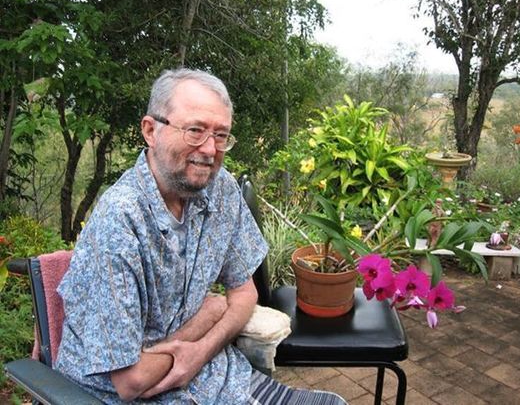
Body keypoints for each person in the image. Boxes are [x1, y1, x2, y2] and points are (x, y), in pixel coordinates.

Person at [54, 68, 346, 405]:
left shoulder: (221, 189)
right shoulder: (119, 223)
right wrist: (204, 319)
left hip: (218, 379)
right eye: (195, 130)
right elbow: (130, 381)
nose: (210, 149)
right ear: (151, 130)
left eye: (221, 135)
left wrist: (201, 350)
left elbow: (244, 291)